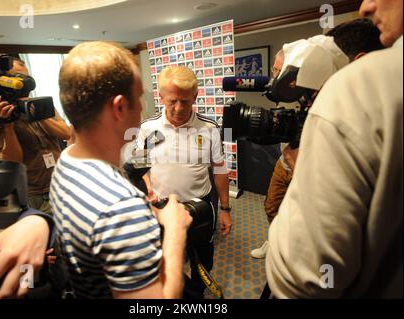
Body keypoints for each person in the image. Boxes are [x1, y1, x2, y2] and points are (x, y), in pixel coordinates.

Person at [266, 0, 402, 298]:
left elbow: (308, 279)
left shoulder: (359, 90)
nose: (366, 5)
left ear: (358, 62)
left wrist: (309, 172)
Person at [50, 41, 192, 299]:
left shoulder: (66, 160)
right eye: (138, 97)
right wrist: (175, 229)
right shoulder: (121, 208)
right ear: (119, 108)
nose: (142, 107)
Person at [251, 18, 384, 259]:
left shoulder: (372, 117)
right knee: (273, 206)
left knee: (298, 219)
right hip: (287, 161)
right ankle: (276, 240)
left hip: (314, 179)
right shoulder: (313, 88)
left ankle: (287, 247)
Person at [136, 65, 231, 299]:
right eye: (172, 101)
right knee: (165, 259)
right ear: (161, 97)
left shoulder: (209, 128)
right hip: (161, 209)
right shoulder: (147, 128)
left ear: (195, 97)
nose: (178, 108)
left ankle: (196, 294)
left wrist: (226, 209)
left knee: (202, 259)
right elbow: (140, 167)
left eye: (185, 101)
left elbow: (219, 170)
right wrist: (147, 186)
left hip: (200, 208)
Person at [0, 57, 72, 214]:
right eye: (18, 77)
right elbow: (13, 162)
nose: (24, 83)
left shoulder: (41, 104)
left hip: (59, 183)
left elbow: (66, 133)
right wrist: (8, 126)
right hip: (32, 193)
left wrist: (39, 114)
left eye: (27, 77)